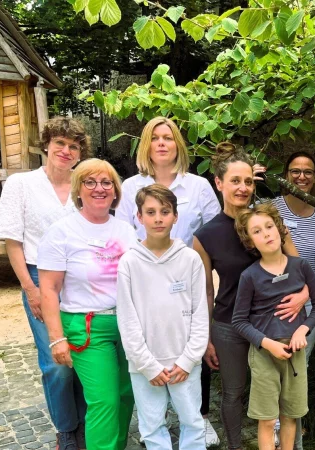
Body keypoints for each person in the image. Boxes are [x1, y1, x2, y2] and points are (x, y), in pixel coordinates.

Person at [193, 142, 309, 450]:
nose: (243, 188)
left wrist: (303, 295)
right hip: (229, 325)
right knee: (233, 393)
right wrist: (206, 337)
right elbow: (205, 290)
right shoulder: (205, 237)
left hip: (275, 322)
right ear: (219, 183)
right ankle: (235, 446)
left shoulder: (267, 222)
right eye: (235, 181)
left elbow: (299, 267)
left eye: (248, 181)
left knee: (285, 391)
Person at [114, 116, 221, 444]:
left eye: (169, 137)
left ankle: (200, 419)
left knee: (190, 409)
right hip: (145, 275)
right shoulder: (131, 188)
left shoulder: (198, 186)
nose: (162, 143)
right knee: (152, 420)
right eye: (155, 137)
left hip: (186, 273)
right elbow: (121, 232)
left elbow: (216, 229)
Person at [0, 117, 89, 450]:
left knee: (83, 354)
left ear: (80, 153)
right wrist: (30, 288)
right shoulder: (21, 184)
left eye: (73, 146)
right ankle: (66, 428)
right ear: (46, 145)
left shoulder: (85, 184)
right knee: (56, 362)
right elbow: (13, 240)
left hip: (80, 279)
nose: (66, 150)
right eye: (60, 143)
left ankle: (86, 423)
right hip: (38, 276)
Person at [37, 159, 138, 450]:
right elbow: (49, 289)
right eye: (90, 182)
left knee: (126, 395)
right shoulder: (62, 231)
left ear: (115, 190)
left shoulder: (125, 230)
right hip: (88, 326)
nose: (99, 189)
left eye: (106, 183)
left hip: (128, 324)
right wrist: (57, 338)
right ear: (78, 189)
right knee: (104, 400)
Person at [117, 184, 210, 450]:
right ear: (139, 217)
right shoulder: (129, 262)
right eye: (151, 212)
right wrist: (147, 365)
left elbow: (200, 314)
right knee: (152, 426)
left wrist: (188, 359)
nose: (158, 218)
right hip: (145, 365)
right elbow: (127, 319)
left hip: (184, 362)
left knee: (193, 422)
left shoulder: (190, 259)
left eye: (165, 211)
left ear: (175, 216)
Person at [232, 203, 315, 450]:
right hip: (265, 353)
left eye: (269, 226)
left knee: (290, 416)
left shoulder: (300, 266)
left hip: (295, 353)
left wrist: (303, 329)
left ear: (279, 228)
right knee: (267, 420)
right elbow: (239, 321)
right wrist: (267, 344)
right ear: (250, 241)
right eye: (257, 231)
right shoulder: (250, 276)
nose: (266, 234)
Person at [270, 151, 315, 449]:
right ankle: (274, 425)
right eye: (295, 171)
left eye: (308, 171)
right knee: (274, 362)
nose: (301, 177)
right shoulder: (271, 208)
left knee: (300, 364)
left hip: (311, 299)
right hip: (275, 299)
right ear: (286, 175)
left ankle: (291, 425)